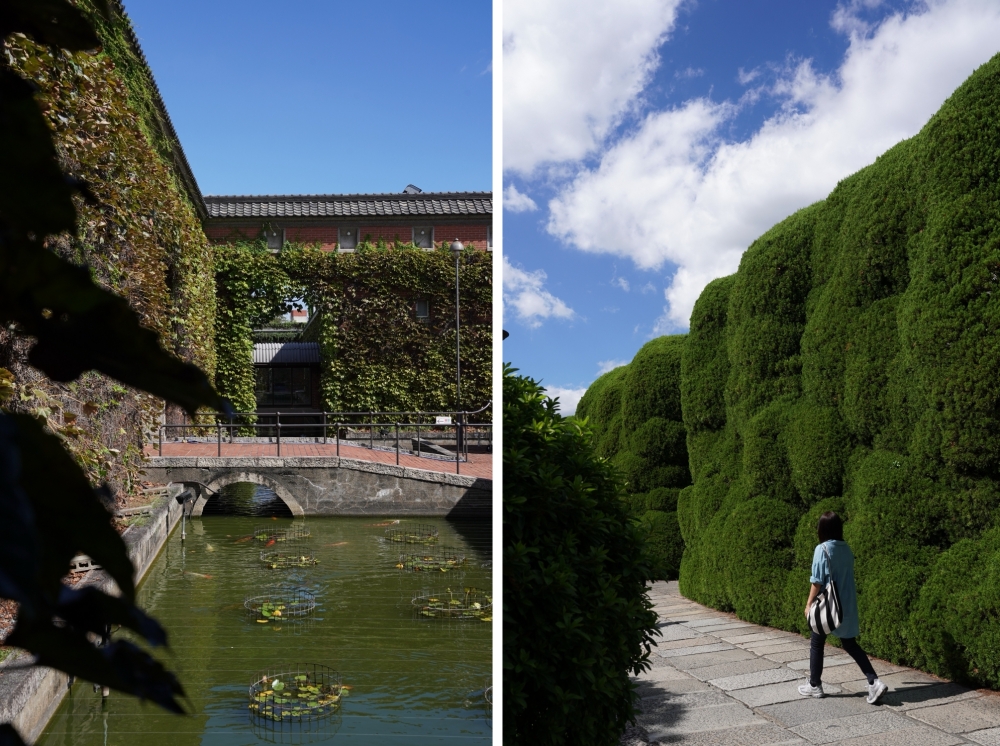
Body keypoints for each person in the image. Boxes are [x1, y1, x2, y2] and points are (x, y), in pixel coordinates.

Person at [798, 511, 887, 704]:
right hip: (846, 604)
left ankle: (815, 685)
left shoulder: (822, 549)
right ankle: (874, 681)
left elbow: (816, 582)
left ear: (821, 529)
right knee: (850, 644)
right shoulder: (846, 549)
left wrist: (808, 605)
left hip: (827, 605)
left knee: (816, 641)